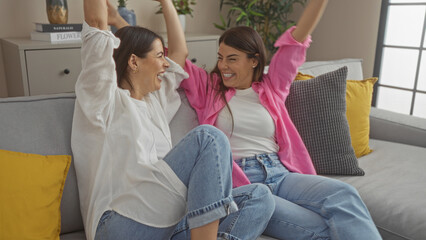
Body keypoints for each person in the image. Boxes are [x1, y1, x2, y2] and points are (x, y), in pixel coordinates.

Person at [71, 0, 275, 239]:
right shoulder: (102, 100)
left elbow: (179, 53)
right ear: (134, 61)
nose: (166, 63)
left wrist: (166, 3)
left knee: (260, 197)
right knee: (208, 137)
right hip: (117, 223)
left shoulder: (156, 101)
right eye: (159, 56)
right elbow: (96, 23)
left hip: (164, 222)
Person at [180, 0, 383, 239]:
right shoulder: (208, 88)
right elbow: (178, 56)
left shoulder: (272, 87)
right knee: (323, 229)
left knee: (344, 194)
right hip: (246, 184)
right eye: (221, 57)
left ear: (254, 61)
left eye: (232, 59)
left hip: (281, 173)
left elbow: (296, 41)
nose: (223, 65)